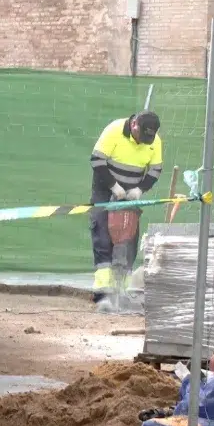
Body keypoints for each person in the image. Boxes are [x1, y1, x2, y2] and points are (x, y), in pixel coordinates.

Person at [89, 110, 164, 307]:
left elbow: (155, 169)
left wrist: (140, 189)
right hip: (105, 188)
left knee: (128, 237)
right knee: (102, 233)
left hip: (132, 190)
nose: (145, 142)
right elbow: (97, 160)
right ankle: (102, 290)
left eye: (150, 138)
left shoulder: (154, 140)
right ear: (134, 126)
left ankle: (121, 290)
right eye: (143, 137)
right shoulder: (113, 130)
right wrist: (114, 186)